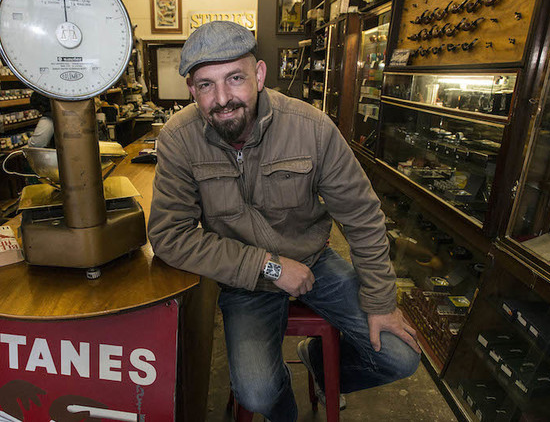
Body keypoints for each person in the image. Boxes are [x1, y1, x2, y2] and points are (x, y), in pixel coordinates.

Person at [147, 21, 420, 421]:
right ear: (192, 90)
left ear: (258, 75)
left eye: (235, 78)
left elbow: (362, 216)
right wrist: (267, 267)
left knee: (401, 356)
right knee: (257, 394)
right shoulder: (179, 138)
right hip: (244, 279)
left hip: (314, 261)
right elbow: (170, 235)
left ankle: (320, 365)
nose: (222, 99)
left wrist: (380, 302)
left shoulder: (312, 128)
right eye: (205, 85)